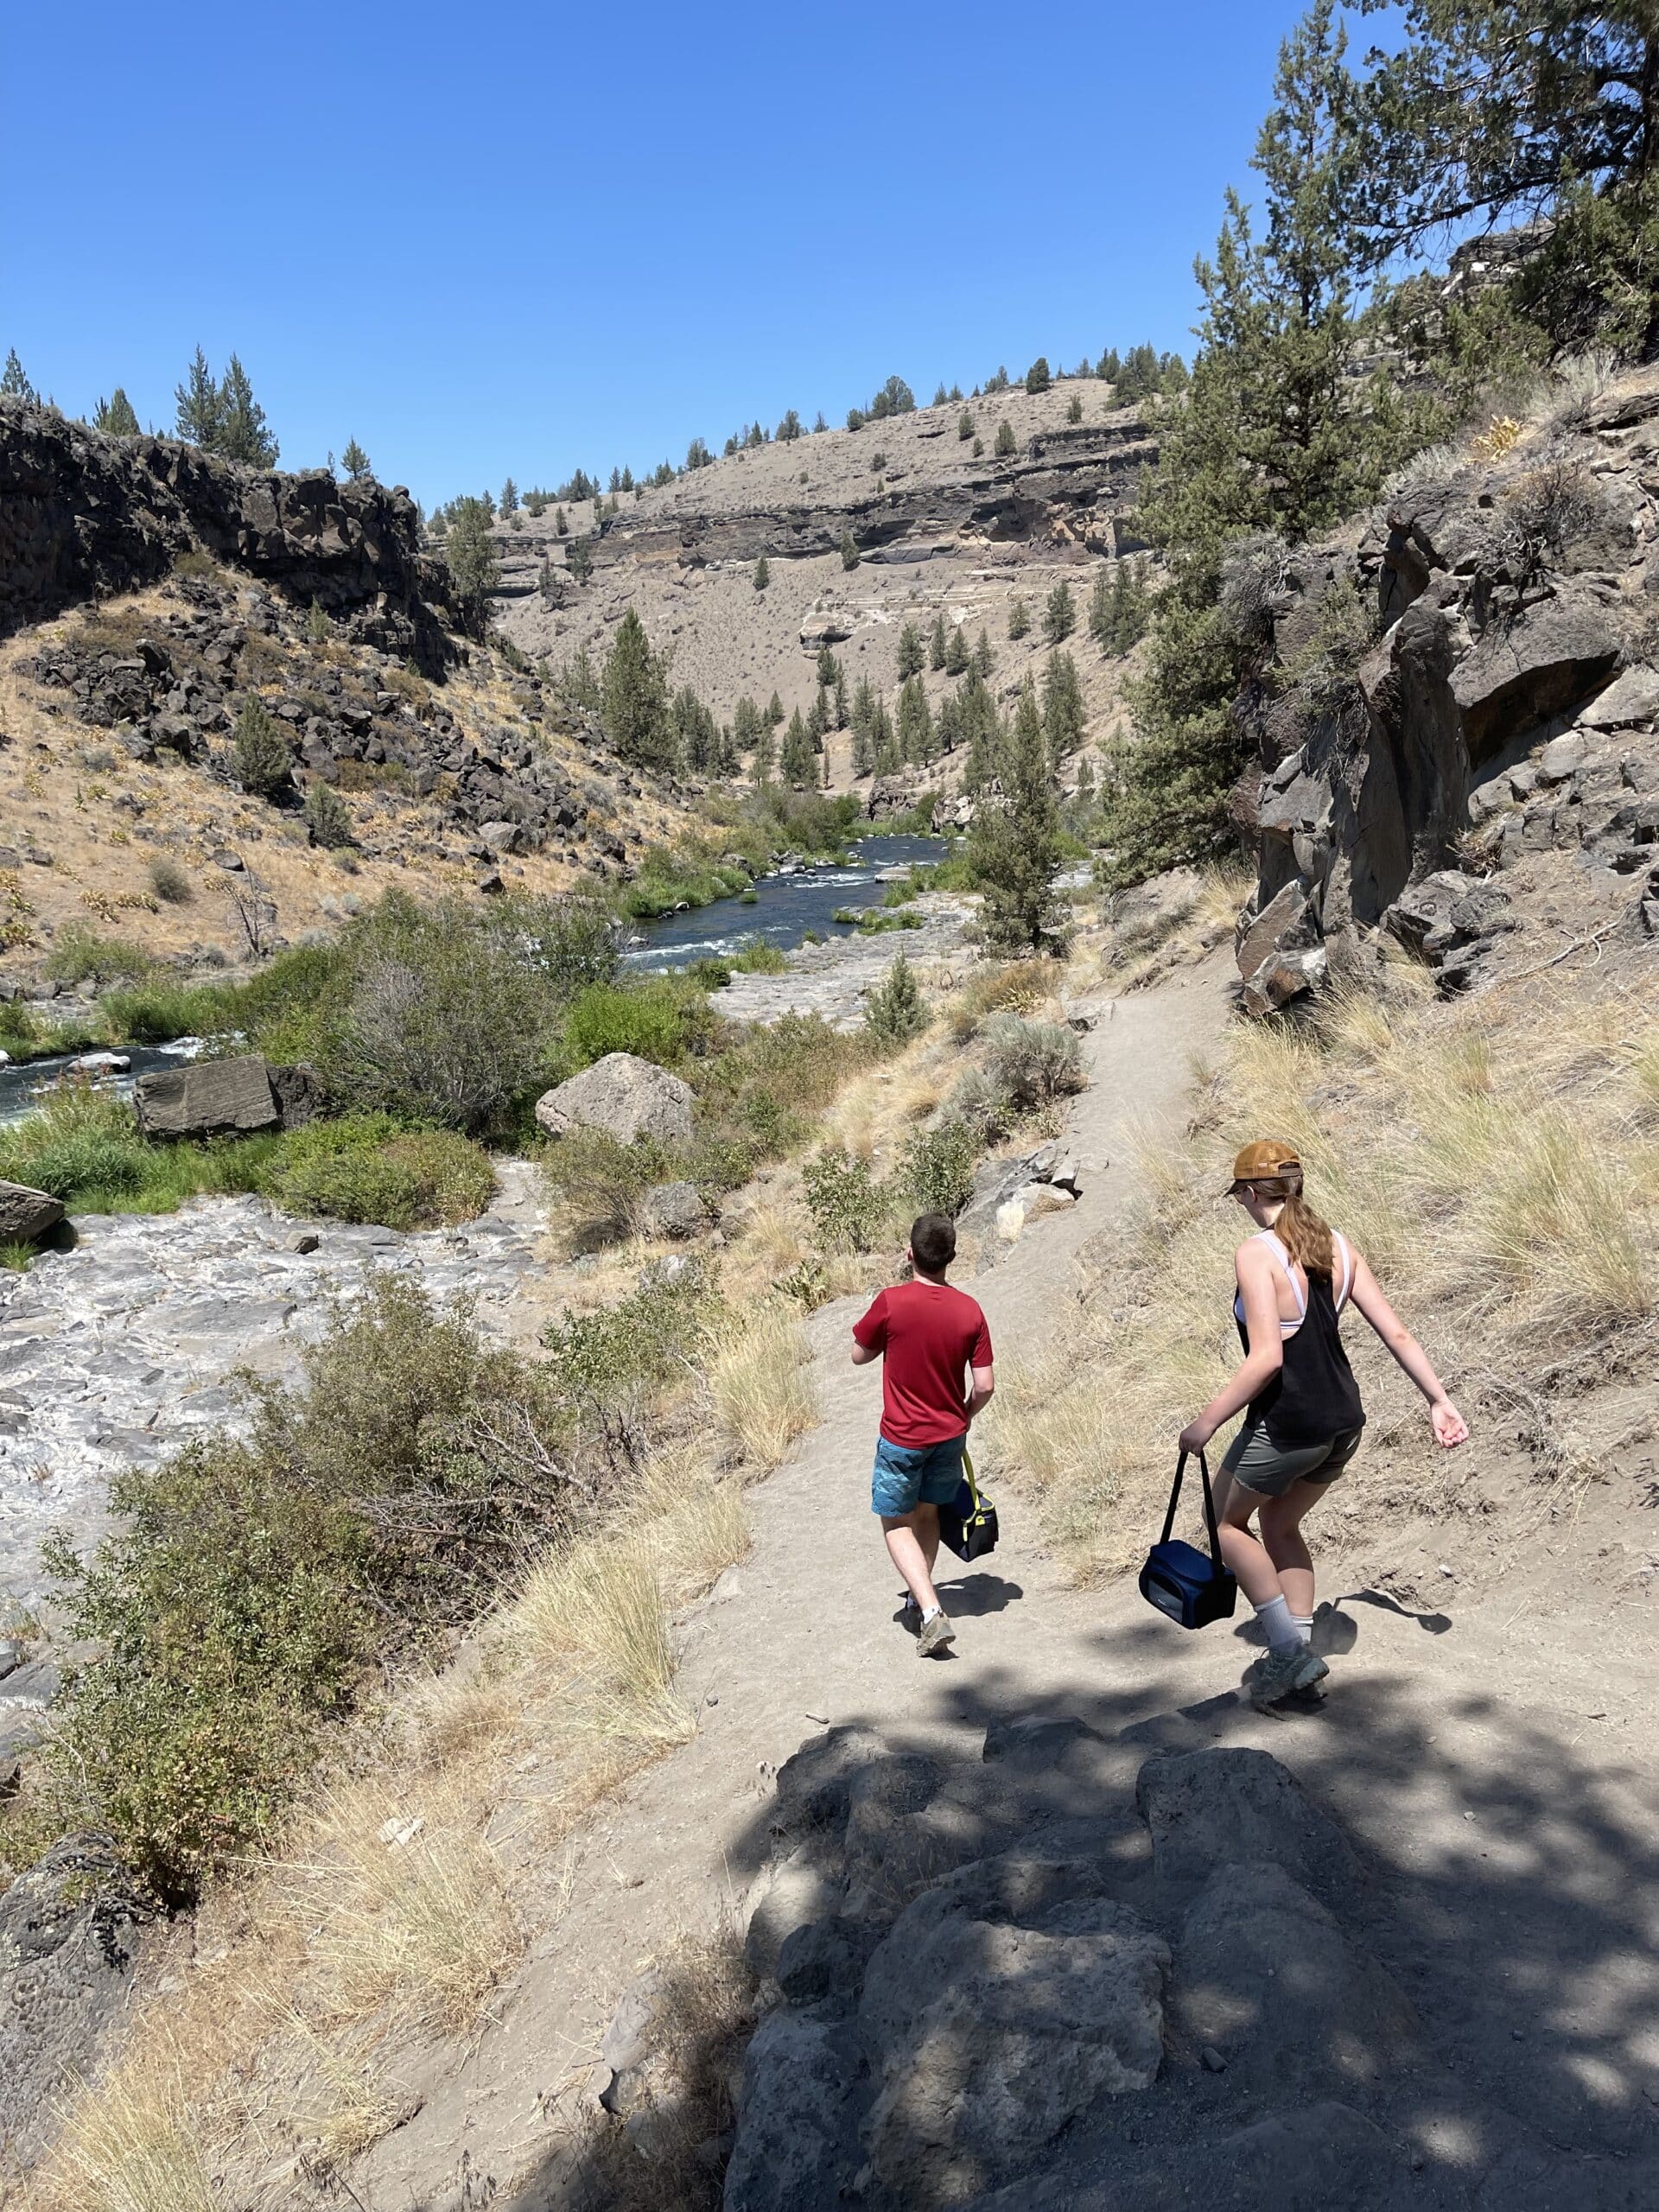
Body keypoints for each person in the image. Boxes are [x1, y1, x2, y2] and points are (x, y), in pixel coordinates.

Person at [1178, 1140, 1467, 1707]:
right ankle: (1298, 1656)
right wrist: (1438, 1399)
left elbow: (1266, 1358)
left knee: (1224, 1524)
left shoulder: (1256, 1253)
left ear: (1249, 1191)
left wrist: (1204, 1425)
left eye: (1238, 1192)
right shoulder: (1337, 1245)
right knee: (1281, 1524)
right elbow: (1398, 1333)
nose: (1238, 1202)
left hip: (1291, 1421)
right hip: (1344, 1421)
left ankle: (1288, 1651)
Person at [852, 1212, 995, 1657]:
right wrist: (966, 1414)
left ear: (909, 1254)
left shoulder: (891, 1302)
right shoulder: (970, 1309)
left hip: (902, 1437)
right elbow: (986, 1385)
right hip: (950, 1435)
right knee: (928, 1514)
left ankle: (932, 1612)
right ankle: (918, 1597)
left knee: (896, 1522)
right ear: (951, 1257)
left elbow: (859, 1355)